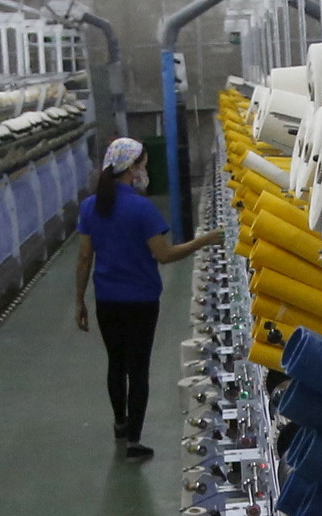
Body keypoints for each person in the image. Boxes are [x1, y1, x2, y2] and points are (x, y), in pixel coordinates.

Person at [72, 135, 219, 461]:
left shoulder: (91, 206)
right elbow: (164, 255)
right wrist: (205, 240)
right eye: (142, 165)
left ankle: (120, 423)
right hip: (140, 301)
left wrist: (79, 300)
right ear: (131, 169)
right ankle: (134, 442)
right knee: (138, 370)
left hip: (107, 300)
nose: (144, 172)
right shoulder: (141, 208)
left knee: (116, 363)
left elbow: (84, 258)